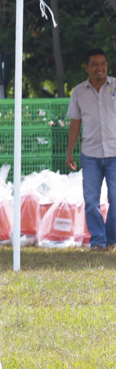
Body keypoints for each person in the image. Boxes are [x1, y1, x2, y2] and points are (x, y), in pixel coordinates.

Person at [66, 48, 116, 251]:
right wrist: (69, 152)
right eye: (94, 64)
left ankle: (111, 239)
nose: (100, 68)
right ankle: (97, 241)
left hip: (114, 153)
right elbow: (75, 123)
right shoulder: (78, 92)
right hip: (90, 155)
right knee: (91, 202)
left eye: (103, 64)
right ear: (87, 67)